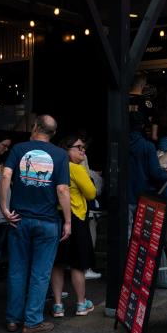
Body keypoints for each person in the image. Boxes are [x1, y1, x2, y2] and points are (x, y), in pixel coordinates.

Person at [0, 115, 72, 333]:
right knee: (40, 273)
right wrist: (68, 220)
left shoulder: (19, 149)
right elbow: (62, 190)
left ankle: (13, 319)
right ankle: (32, 322)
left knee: (17, 270)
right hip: (47, 221)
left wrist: (4, 207)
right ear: (53, 133)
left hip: (18, 219)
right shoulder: (60, 155)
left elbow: (5, 176)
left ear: (35, 127)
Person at [50, 136, 97, 318]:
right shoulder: (76, 169)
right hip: (76, 218)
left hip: (58, 216)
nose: (82, 150)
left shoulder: (55, 167)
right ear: (67, 149)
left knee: (58, 263)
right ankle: (80, 304)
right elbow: (92, 193)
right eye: (78, 147)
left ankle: (57, 305)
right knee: (78, 264)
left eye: (83, 147)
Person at [128, 71, 156, 141]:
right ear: (143, 85)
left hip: (123, 137)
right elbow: (151, 122)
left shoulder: (120, 100)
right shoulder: (147, 102)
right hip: (140, 138)